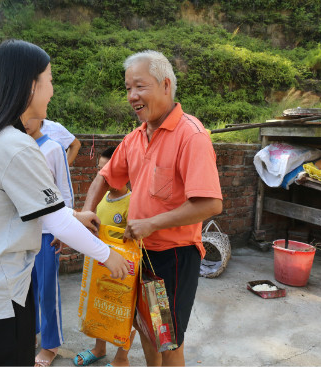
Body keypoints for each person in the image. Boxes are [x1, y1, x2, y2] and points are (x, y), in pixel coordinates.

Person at [0, 39, 130, 367]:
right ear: (31, 85)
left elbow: (27, 207)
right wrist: (108, 256)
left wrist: (74, 213)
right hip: (0, 297)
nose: (53, 91)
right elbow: (56, 223)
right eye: (50, 80)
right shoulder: (17, 146)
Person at [82, 50, 223, 367]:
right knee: (146, 326)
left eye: (140, 86)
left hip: (172, 259)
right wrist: (87, 212)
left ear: (165, 85)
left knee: (168, 339)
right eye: (128, 88)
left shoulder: (191, 136)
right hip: (138, 253)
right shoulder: (134, 138)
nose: (132, 96)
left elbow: (210, 203)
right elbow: (104, 177)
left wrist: (153, 223)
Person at [74, 146, 135, 367]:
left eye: (107, 171)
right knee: (99, 308)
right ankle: (99, 349)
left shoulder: (132, 202)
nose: (103, 177)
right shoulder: (98, 199)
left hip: (122, 270)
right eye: (99, 172)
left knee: (124, 312)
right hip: (99, 266)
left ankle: (122, 358)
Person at [23, 118, 73, 367]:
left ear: (40, 116)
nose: (24, 120)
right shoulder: (16, 147)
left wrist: (62, 230)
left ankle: (50, 345)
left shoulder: (54, 148)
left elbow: (65, 191)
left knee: (47, 291)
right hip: (21, 233)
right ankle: (30, 333)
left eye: (29, 114)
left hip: (46, 233)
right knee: (24, 289)